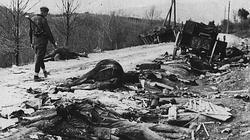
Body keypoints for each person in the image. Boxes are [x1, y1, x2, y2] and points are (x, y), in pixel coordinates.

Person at [29, 7, 57, 81]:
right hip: (42, 41)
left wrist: (31, 42)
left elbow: (30, 32)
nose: (47, 15)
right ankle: (36, 76)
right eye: (46, 13)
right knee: (39, 58)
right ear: (44, 12)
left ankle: (44, 71)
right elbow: (48, 32)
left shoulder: (32, 18)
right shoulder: (43, 20)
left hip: (35, 41)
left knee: (39, 57)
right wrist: (53, 42)